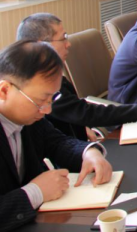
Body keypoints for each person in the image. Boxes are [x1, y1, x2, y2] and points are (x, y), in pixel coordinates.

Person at [0, 41, 112, 231]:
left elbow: (57, 142)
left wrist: (89, 152)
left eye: (52, 99)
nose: (47, 110)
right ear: (4, 90)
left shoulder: (28, 116)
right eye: (40, 101)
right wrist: (34, 192)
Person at [16, 14, 137, 141]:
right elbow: (82, 112)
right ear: (41, 44)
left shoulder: (45, 72)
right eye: (63, 38)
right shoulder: (37, 84)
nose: (68, 44)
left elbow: (70, 111)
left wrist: (79, 125)